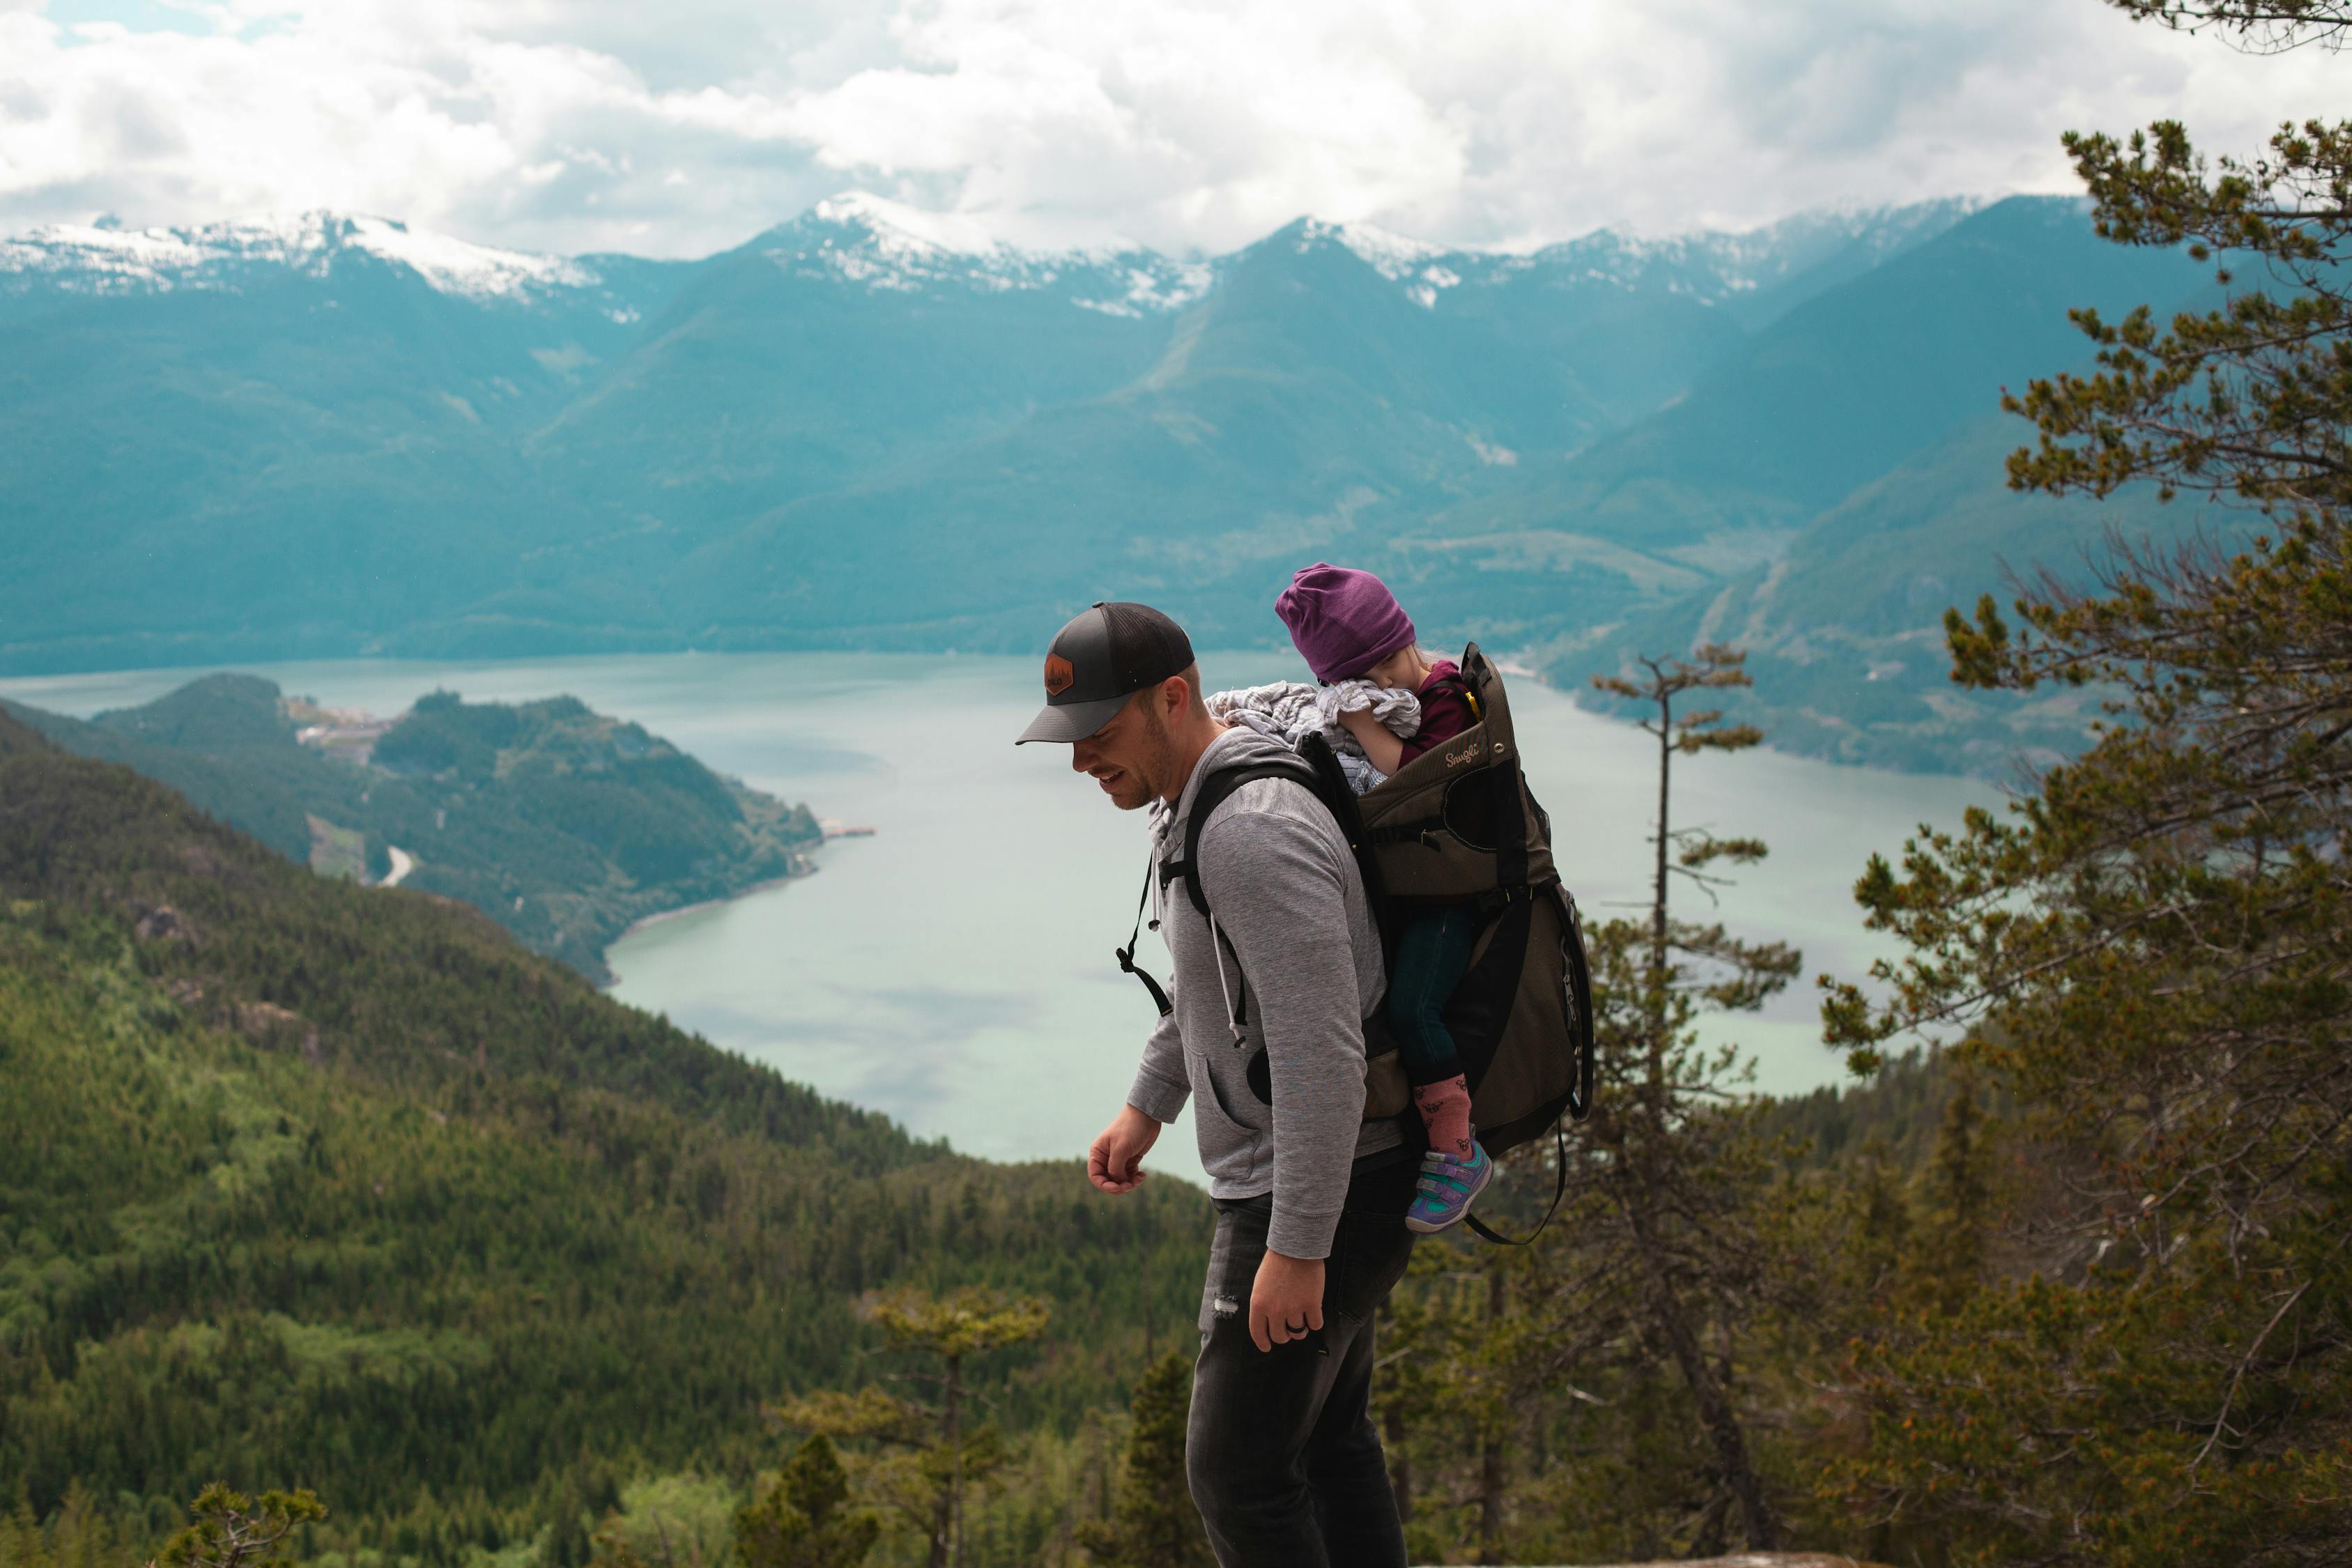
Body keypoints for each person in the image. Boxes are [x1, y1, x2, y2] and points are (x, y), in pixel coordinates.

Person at [1016, 599, 1417, 1568]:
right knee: (1325, 1441)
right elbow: (1216, 991)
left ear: (1172, 696)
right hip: (1335, 1174)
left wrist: (1296, 1244)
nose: (1079, 761)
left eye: (1097, 734)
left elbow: (1323, 1052)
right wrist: (1147, 1102)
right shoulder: (1197, 795)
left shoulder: (1247, 829)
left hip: (1314, 1185)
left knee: (1235, 1471)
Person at [1275, 563, 1491, 1234]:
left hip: (1453, 895)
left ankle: (1458, 1151)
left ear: (1387, 652)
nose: (1358, 694)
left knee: (1414, 1008)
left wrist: (1363, 724)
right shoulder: (1421, 688)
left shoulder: (1449, 696)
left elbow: (1413, 776)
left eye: (1362, 681)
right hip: (1424, 884)